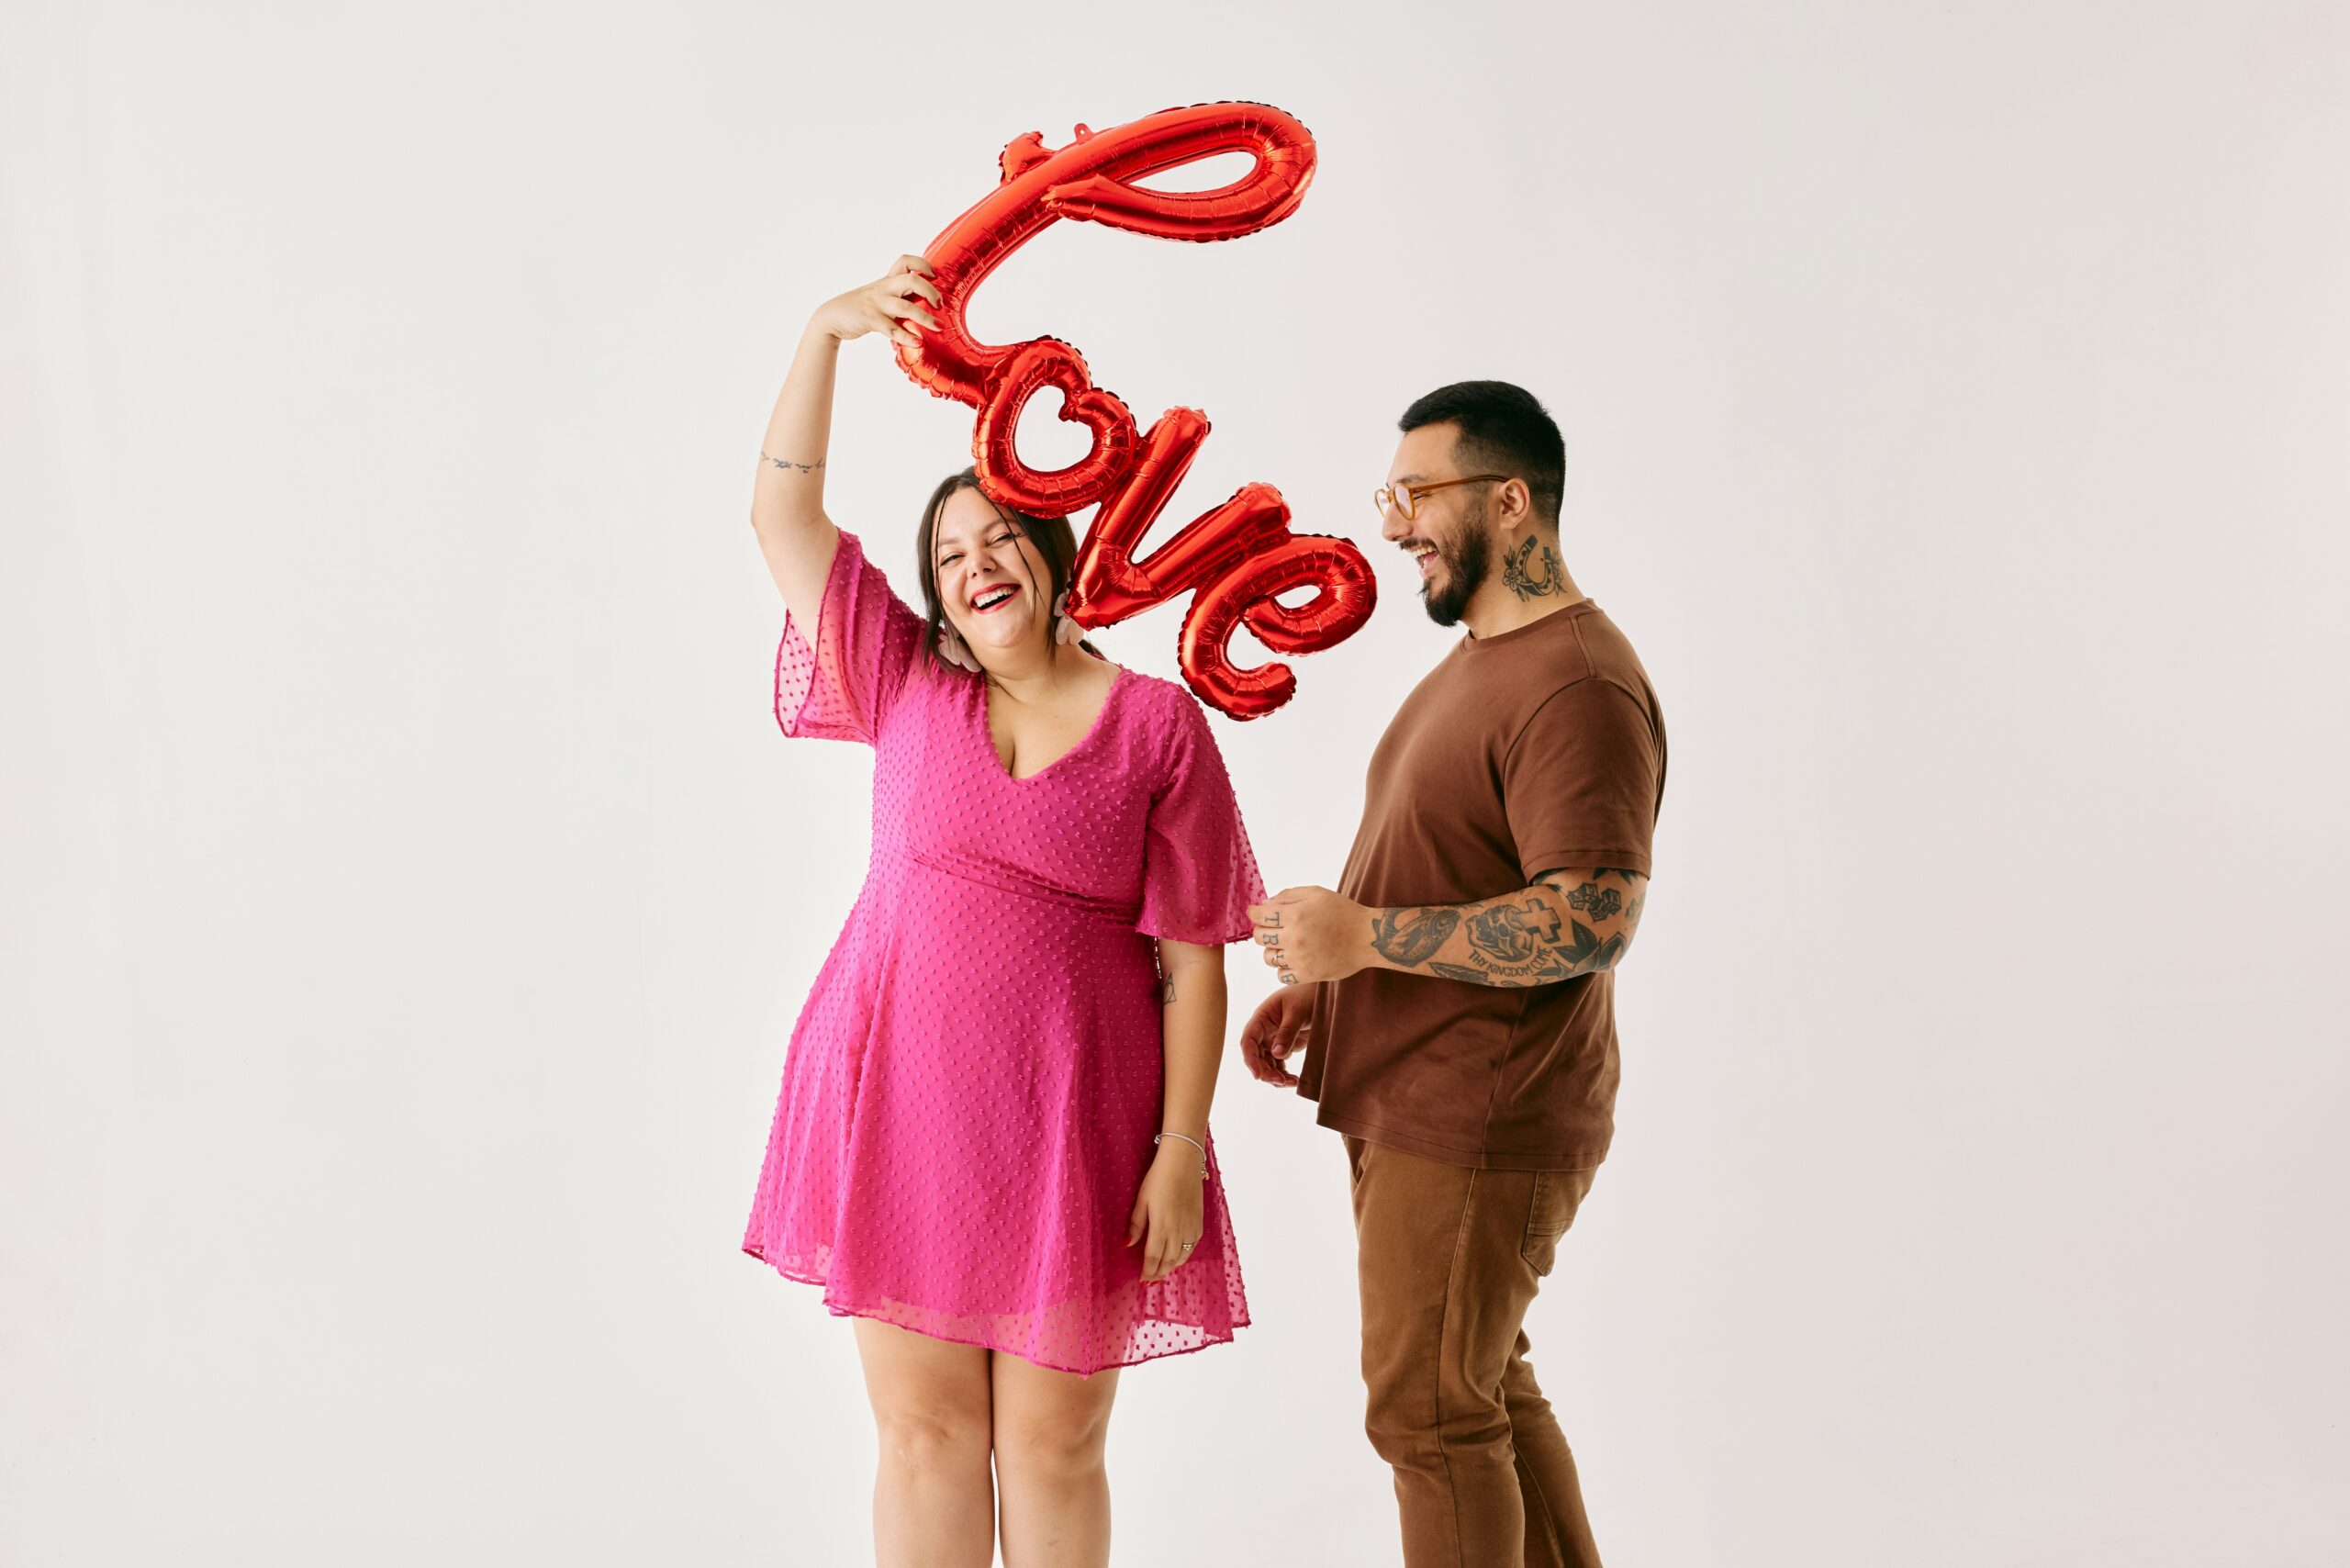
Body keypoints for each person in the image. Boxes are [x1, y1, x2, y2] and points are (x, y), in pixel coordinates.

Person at [742, 255, 1264, 1568]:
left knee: (1053, 1447)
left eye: (998, 540)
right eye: (949, 554)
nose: (976, 565)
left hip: (1077, 1120)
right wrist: (825, 338)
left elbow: (1195, 962)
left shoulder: (1157, 723)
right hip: (899, 1094)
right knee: (921, 1441)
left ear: (1046, 553)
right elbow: (783, 524)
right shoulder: (904, 681)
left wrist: (1181, 1146)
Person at [1239, 381, 1666, 1568]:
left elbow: (1589, 918)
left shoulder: (1575, 684)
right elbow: (1450, 861)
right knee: (1481, 1392)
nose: (1392, 526)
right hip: (1424, 1093)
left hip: (1479, 1106)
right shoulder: (1493, 658)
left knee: (1429, 1415)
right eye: (1392, 497)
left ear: (1512, 502)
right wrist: (1328, 987)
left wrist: (1365, 945)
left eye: (1418, 495)